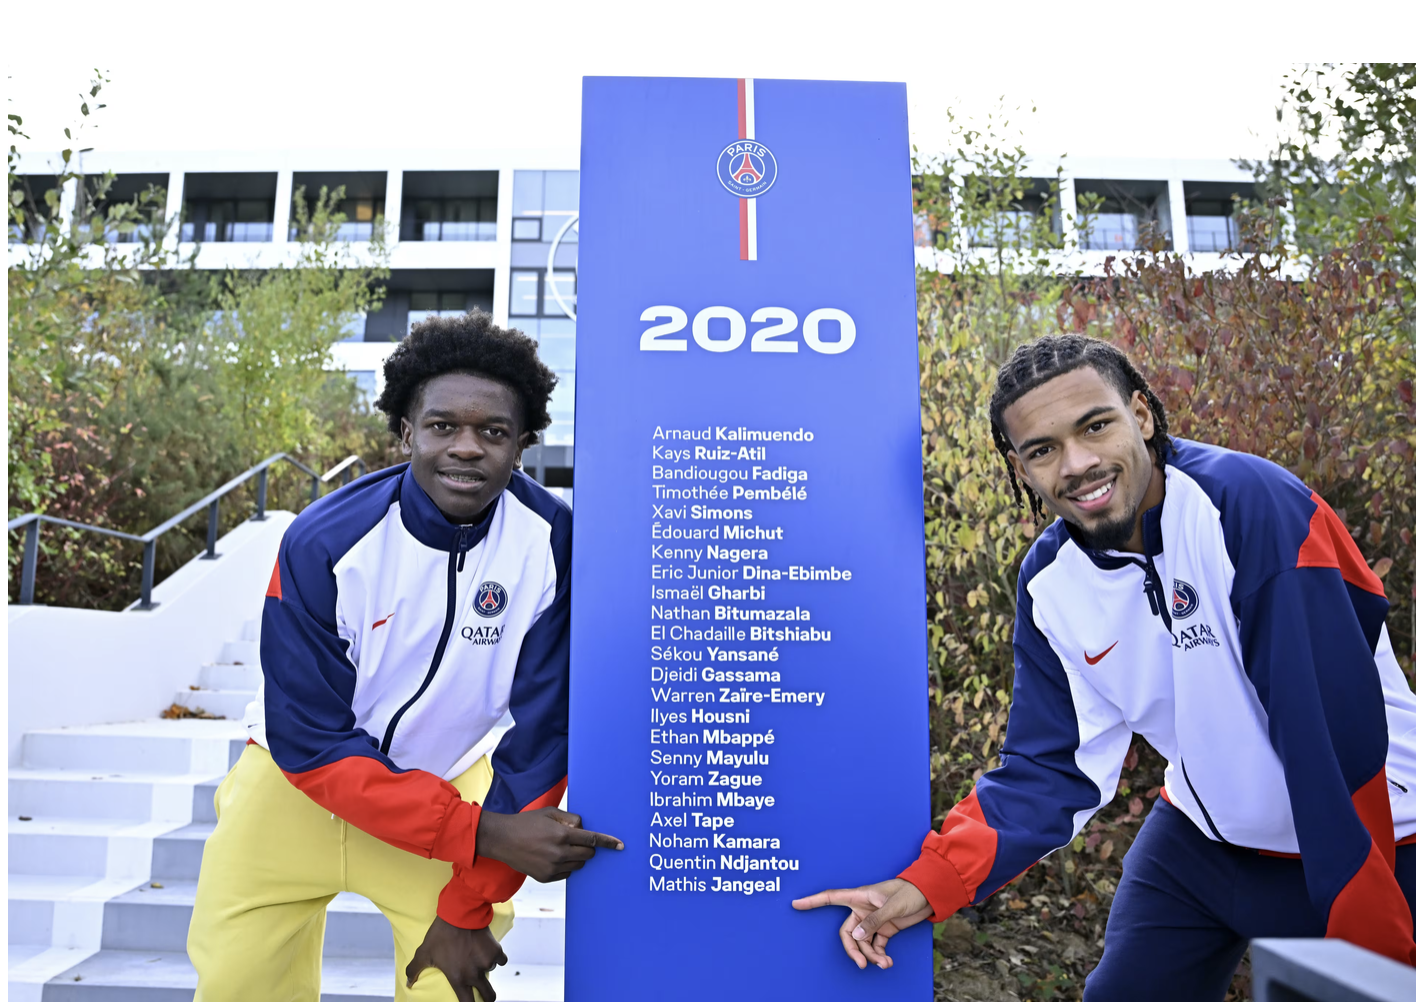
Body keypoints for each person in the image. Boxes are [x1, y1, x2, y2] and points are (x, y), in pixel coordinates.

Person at [793, 334, 1416, 1000]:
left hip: (1377, 841)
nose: (1078, 463)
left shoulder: (1250, 509)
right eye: (1042, 449)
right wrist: (925, 885)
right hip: (1208, 843)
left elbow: (1331, 747)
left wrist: (1369, 955)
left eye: (1095, 426)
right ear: (1019, 467)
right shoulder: (1050, 583)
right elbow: (1051, 767)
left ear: (1141, 416)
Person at [188, 312, 620, 1002]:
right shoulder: (324, 542)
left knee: (447, 991)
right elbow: (310, 738)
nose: (468, 447)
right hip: (287, 791)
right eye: (444, 426)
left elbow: (546, 734)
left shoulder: (553, 546)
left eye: (494, 432)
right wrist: (480, 832)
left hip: (448, 783)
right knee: (238, 988)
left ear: (523, 445)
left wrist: (469, 904)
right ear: (406, 433)